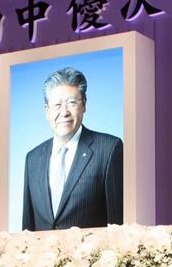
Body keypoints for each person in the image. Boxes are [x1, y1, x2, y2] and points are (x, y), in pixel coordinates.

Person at [21, 66, 123, 231]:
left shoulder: (109, 149)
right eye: (57, 105)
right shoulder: (32, 158)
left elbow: (116, 227)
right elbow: (27, 230)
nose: (64, 112)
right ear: (47, 111)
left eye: (72, 103)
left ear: (84, 104)